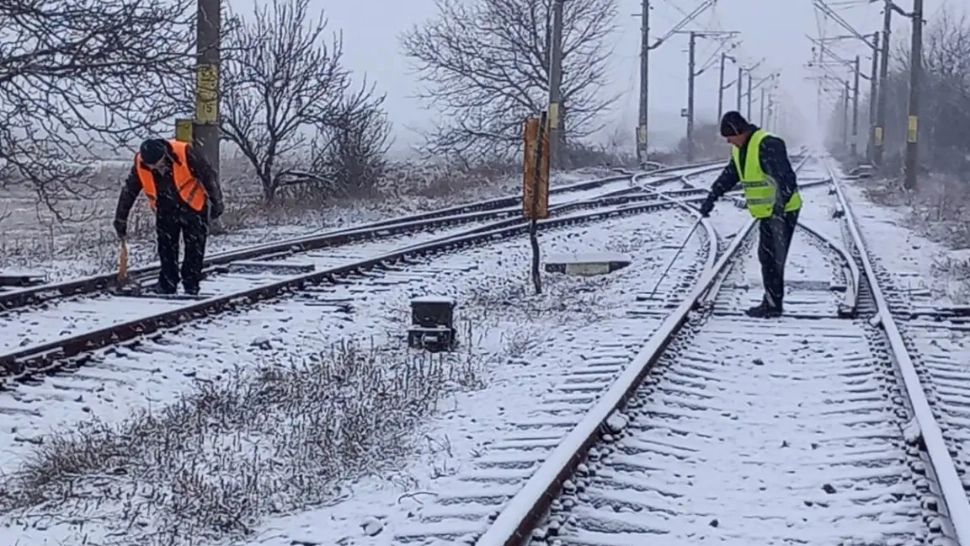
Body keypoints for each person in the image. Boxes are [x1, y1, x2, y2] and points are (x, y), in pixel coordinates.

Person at [699, 111, 802, 318]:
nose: (728, 141)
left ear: (739, 131)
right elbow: (731, 174)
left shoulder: (768, 144)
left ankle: (773, 306)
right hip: (768, 212)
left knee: (772, 258)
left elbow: (786, 179)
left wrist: (778, 209)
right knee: (768, 257)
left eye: (730, 136)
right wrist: (712, 196)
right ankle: (772, 302)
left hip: (783, 211)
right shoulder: (740, 150)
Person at [114, 138, 224, 295]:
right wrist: (121, 218)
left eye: (157, 164)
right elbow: (129, 191)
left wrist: (216, 201)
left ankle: (191, 284)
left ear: (165, 155)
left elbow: (208, 176)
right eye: (150, 165)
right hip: (165, 209)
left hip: (193, 206)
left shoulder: (185, 153)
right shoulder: (141, 163)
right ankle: (168, 284)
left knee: (194, 248)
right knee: (166, 249)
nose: (154, 168)